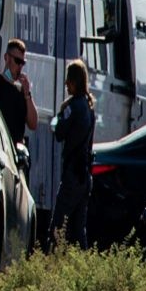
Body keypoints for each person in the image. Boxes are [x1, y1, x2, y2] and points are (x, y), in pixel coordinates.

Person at [55, 58, 97, 246]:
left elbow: (59, 132)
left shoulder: (72, 107)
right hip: (85, 175)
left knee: (58, 227)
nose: (66, 84)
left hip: (73, 174)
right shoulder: (89, 107)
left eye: (68, 80)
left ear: (74, 81)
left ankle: (50, 265)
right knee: (79, 232)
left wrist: (59, 116)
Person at [0, 38, 34, 146]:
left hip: (16, 150)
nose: (20, 66)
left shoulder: (21, 91)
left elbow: (33, 124)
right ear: (6, 58)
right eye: (17, 61)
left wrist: (27, 95)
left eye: (23, 63)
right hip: (0, 146)